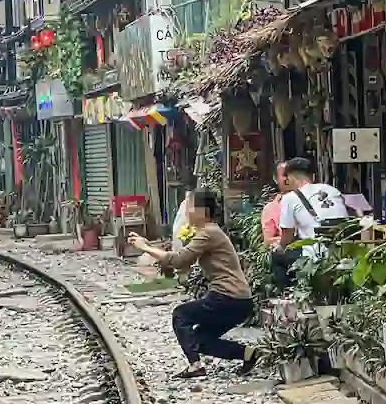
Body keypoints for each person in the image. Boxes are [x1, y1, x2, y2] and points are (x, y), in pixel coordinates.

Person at [129, 190, 259, 379]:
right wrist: (149, 246)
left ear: (203, 211)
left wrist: (145, 248)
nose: (186, 212)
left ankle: (195, 366)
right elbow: (184, 261)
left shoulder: (209, 233)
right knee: (199, 340)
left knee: (180, 315)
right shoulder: (209, 232)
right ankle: (249, 354)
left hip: (228, 297)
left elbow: (180, 260)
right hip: (238, 299)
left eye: (189, 207)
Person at [276, 157, 349, 260]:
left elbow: (287, 237)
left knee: (277, 258)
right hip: (344, 251)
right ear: (313, 176)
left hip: (315, 254)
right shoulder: (333, 190)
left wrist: (278, 248)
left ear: (290, 178)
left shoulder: (289, 198)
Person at [263, 160, 301, 289]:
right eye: (284, 174)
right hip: (290, 250)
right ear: (276, 179)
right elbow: (268, 240)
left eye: (291, 174)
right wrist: (289, 239)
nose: (289, 178)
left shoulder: (309, 198)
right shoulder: (271, 208)